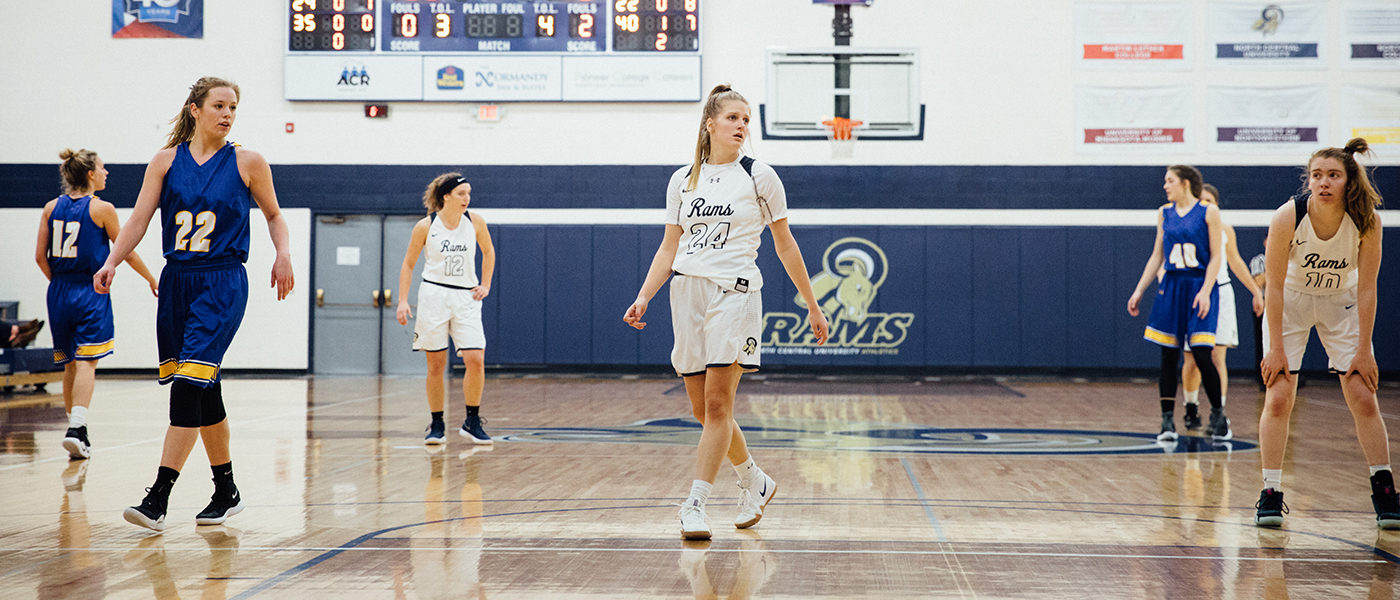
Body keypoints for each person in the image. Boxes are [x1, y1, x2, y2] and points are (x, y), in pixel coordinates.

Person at [623, 83, 831, 540]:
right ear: (710, 123)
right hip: (687, 293)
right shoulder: (682, 179)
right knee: (702, 410)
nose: (741, 126)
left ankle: (695, 503)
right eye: (733, 118)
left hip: (734, 293)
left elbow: (785, 243)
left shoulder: (760, 176)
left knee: (719, 404)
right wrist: (644, 296)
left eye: (745, 120)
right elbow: (669, 245)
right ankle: (755, 480)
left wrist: (813, 305)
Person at [95, 77, 295, 531]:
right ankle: (226, 490)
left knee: (189, 385)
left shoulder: (248, 161)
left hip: (222, 280)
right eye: (219, 106)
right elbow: (140, 219)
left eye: (233, 108)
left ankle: (157, 498)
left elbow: (275, 214)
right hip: (177, 281)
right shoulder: (165, 162)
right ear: (195, 110)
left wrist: (283, 253)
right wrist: (111, 261)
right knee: (205, 387)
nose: (227, 114)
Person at [1255, 137, 1399, 529]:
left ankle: (1384, 488)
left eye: (1333, 175)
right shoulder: (1289, 215)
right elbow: (1275, 285)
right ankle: (1270, 492)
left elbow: (1368, 287)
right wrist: (1277, 349)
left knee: (1362, 395)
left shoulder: (1367, 219)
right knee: (1280, 394)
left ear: (1348, 180)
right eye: (1316, 175)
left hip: (1341, 303)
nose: (1323, 182)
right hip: (1293, 301)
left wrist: (1365, 351)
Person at [33, 148, 158, 460]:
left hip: (59, 291)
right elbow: (126, 250)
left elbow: (39, 257)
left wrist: (59, 285)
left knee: (69, 363)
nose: (106, 173)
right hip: (90, 291)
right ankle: (77, 428)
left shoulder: (50, 207)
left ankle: (76, 430)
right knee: (88, 361)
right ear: (89, 174)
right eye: (103, 168)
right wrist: (151, 279)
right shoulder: (102, 209)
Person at [1127, 165, 1231, 443]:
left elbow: (1216, 257)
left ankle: (1219, 416)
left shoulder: (1209, 212)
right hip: (1171, 286)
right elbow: (1155, 256)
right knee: (1168, 357)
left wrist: (1207, 291)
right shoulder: (1164, 213)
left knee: (1201, 353)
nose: (1165, 185)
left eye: (1169, 181)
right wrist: (1139, 290)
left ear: (1185, 183)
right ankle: (1166, 423)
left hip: (1199, 285)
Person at [394, 173, 496, 446]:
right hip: (434, 296)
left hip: (466, 297)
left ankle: (472, 421)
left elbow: (489, 252)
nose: (467, 198)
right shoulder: (426, 226)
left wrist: (485, 284)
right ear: (446, 196)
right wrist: (403, 300)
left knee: (476, 358)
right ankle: (437, 423)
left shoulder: (475, 222)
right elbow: (408, 264)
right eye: (462, 193)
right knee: (436, 364)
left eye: (469, 193)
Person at [1178, 184, 1264, 429]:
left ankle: (1219, 412)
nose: (1205, 205)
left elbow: (1235, 261)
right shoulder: (1186, 228)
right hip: (1194, 293)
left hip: (1222, 292)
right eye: (1201, 201)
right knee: (1192, 358)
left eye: (1209, 201)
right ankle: (1191, 407)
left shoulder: (1224, 229)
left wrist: (1256, 291)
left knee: (1217, 357)